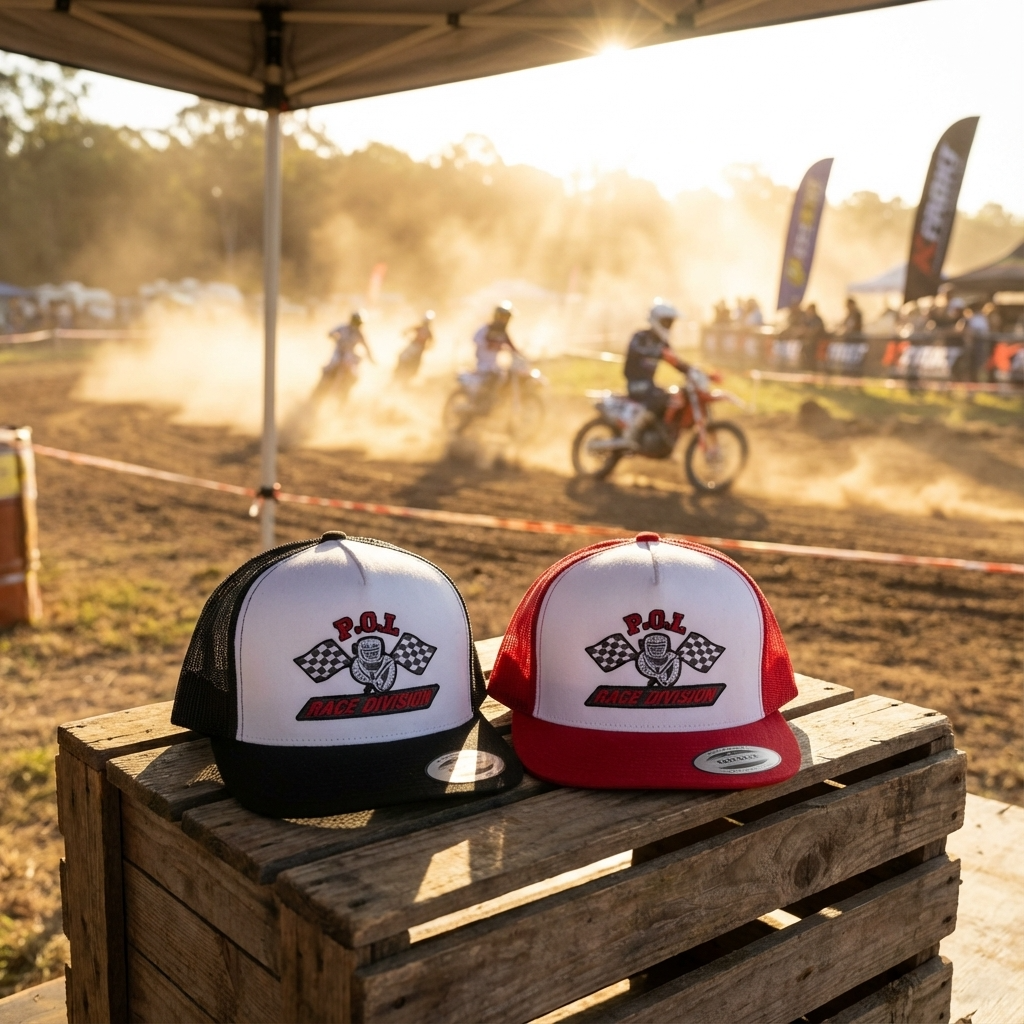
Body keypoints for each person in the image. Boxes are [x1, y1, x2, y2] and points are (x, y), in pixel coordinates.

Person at [623, 300, 691, 445]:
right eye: (667, 322)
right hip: (636, 384)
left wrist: (692, 371)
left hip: (649, 385)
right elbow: (636, 350)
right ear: (657, 320)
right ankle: (632, 432)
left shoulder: (661, 343)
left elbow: (675, 360)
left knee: (673, 399)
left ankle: (660, 437)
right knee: (658, 398)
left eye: (670, 323)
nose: (669, 326)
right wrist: (657, 352)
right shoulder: (640, 337)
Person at [325, 310, 374, 375]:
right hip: (338, 351)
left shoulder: (359, 334)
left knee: (354, 372)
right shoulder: (343, 328)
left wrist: (371, 358)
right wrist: (334, 336)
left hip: (349, 353)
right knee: (331, 365)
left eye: (357, 323)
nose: (355, 324)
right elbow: (330, 333)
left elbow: (366, 347)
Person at [394, 310, 435, 382]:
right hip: (415, 346)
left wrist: (427, 347)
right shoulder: (421, 328)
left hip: (418, 348)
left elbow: (432, 341)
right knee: (402, 356)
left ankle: (403, 374)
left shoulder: (426, 330)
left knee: (411, 361)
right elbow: (406, 331)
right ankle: (398, 371)